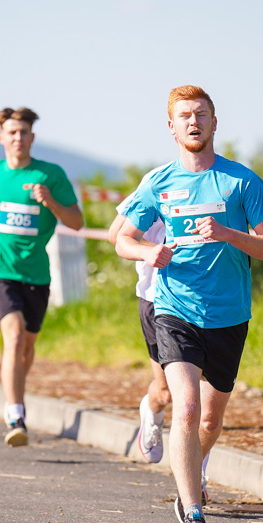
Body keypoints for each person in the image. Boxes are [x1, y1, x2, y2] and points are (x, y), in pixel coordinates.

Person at [114, 85, 263, 523]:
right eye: (184, 116)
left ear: (214, 122)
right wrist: (150, 250)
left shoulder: (241, 181)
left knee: (209, 421)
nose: (193, 122)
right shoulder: (158, 182)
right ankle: (192, 512)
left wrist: (229, 233)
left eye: (201, 115)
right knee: (185, 407)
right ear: (171, 126)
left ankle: (191, 470)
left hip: (229, 314)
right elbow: (121, 239)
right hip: (175, 309)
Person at [0, 107, 83, 447]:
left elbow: (76, 222)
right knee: (13, 337)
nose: (18, 138)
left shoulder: (50, 175)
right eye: (11, 133)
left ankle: (15, 389)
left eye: (23, 132)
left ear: (32, 137)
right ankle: (15, 412)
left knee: (27, 346)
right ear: (2, 138)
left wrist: (51, 203)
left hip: (36, 273)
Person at [108, 190, 173, 465]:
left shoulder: (222, 183)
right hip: (156, 297)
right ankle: (152, 410)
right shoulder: (155, 182)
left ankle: (198, 479)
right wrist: (153, 250)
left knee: (201, 396)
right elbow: (116, 234)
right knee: (168, 392)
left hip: (204, 300)